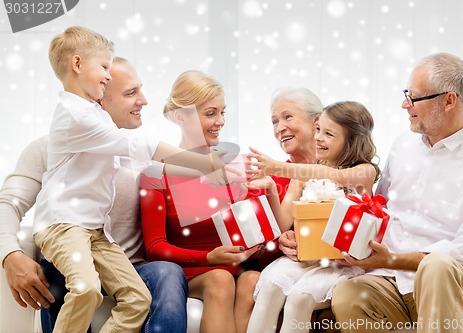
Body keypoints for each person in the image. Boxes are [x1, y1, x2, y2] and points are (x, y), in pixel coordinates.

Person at [34, 26, 227, 333]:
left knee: (137, 301)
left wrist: (211, 173)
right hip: (65, 226)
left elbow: (154, 164)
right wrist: (206, 164)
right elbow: (145, 148)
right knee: (84, 289)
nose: (107, 75)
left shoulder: (100, 124)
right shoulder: (77, 118)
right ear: (78, 65)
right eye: (104, 68)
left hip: (96, 232)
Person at [327, 53, 463, 333]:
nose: (405, 104)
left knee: (437, 266)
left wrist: (394, 259)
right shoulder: (403, 144)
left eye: (414, 98)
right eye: (406, 94)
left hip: (458, 283)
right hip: (392, 278)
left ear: (449, 101)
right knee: (349, 296)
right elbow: (379, 210)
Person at [140, 70, 263, 333]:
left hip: (233, 266)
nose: (220, 121)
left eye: (222, 112)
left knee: (250, 279)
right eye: (210, 113)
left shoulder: (232, 168)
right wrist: (208, 257)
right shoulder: (156, 173)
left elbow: (253, 225)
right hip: (191, 269)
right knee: (220, 279)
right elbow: (154, 247)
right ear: (180, 117)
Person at [246, 101, 381, 333]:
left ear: (351, 141)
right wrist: (270, 189)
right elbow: (283, 223)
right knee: (270, 286)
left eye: (329, 134)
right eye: (318, 130)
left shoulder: (363, 172)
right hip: (307, 259)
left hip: (343, 264)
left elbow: (330, 175)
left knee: (299, 298)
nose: (318, 138)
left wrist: (278, 168)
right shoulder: (304, 172)